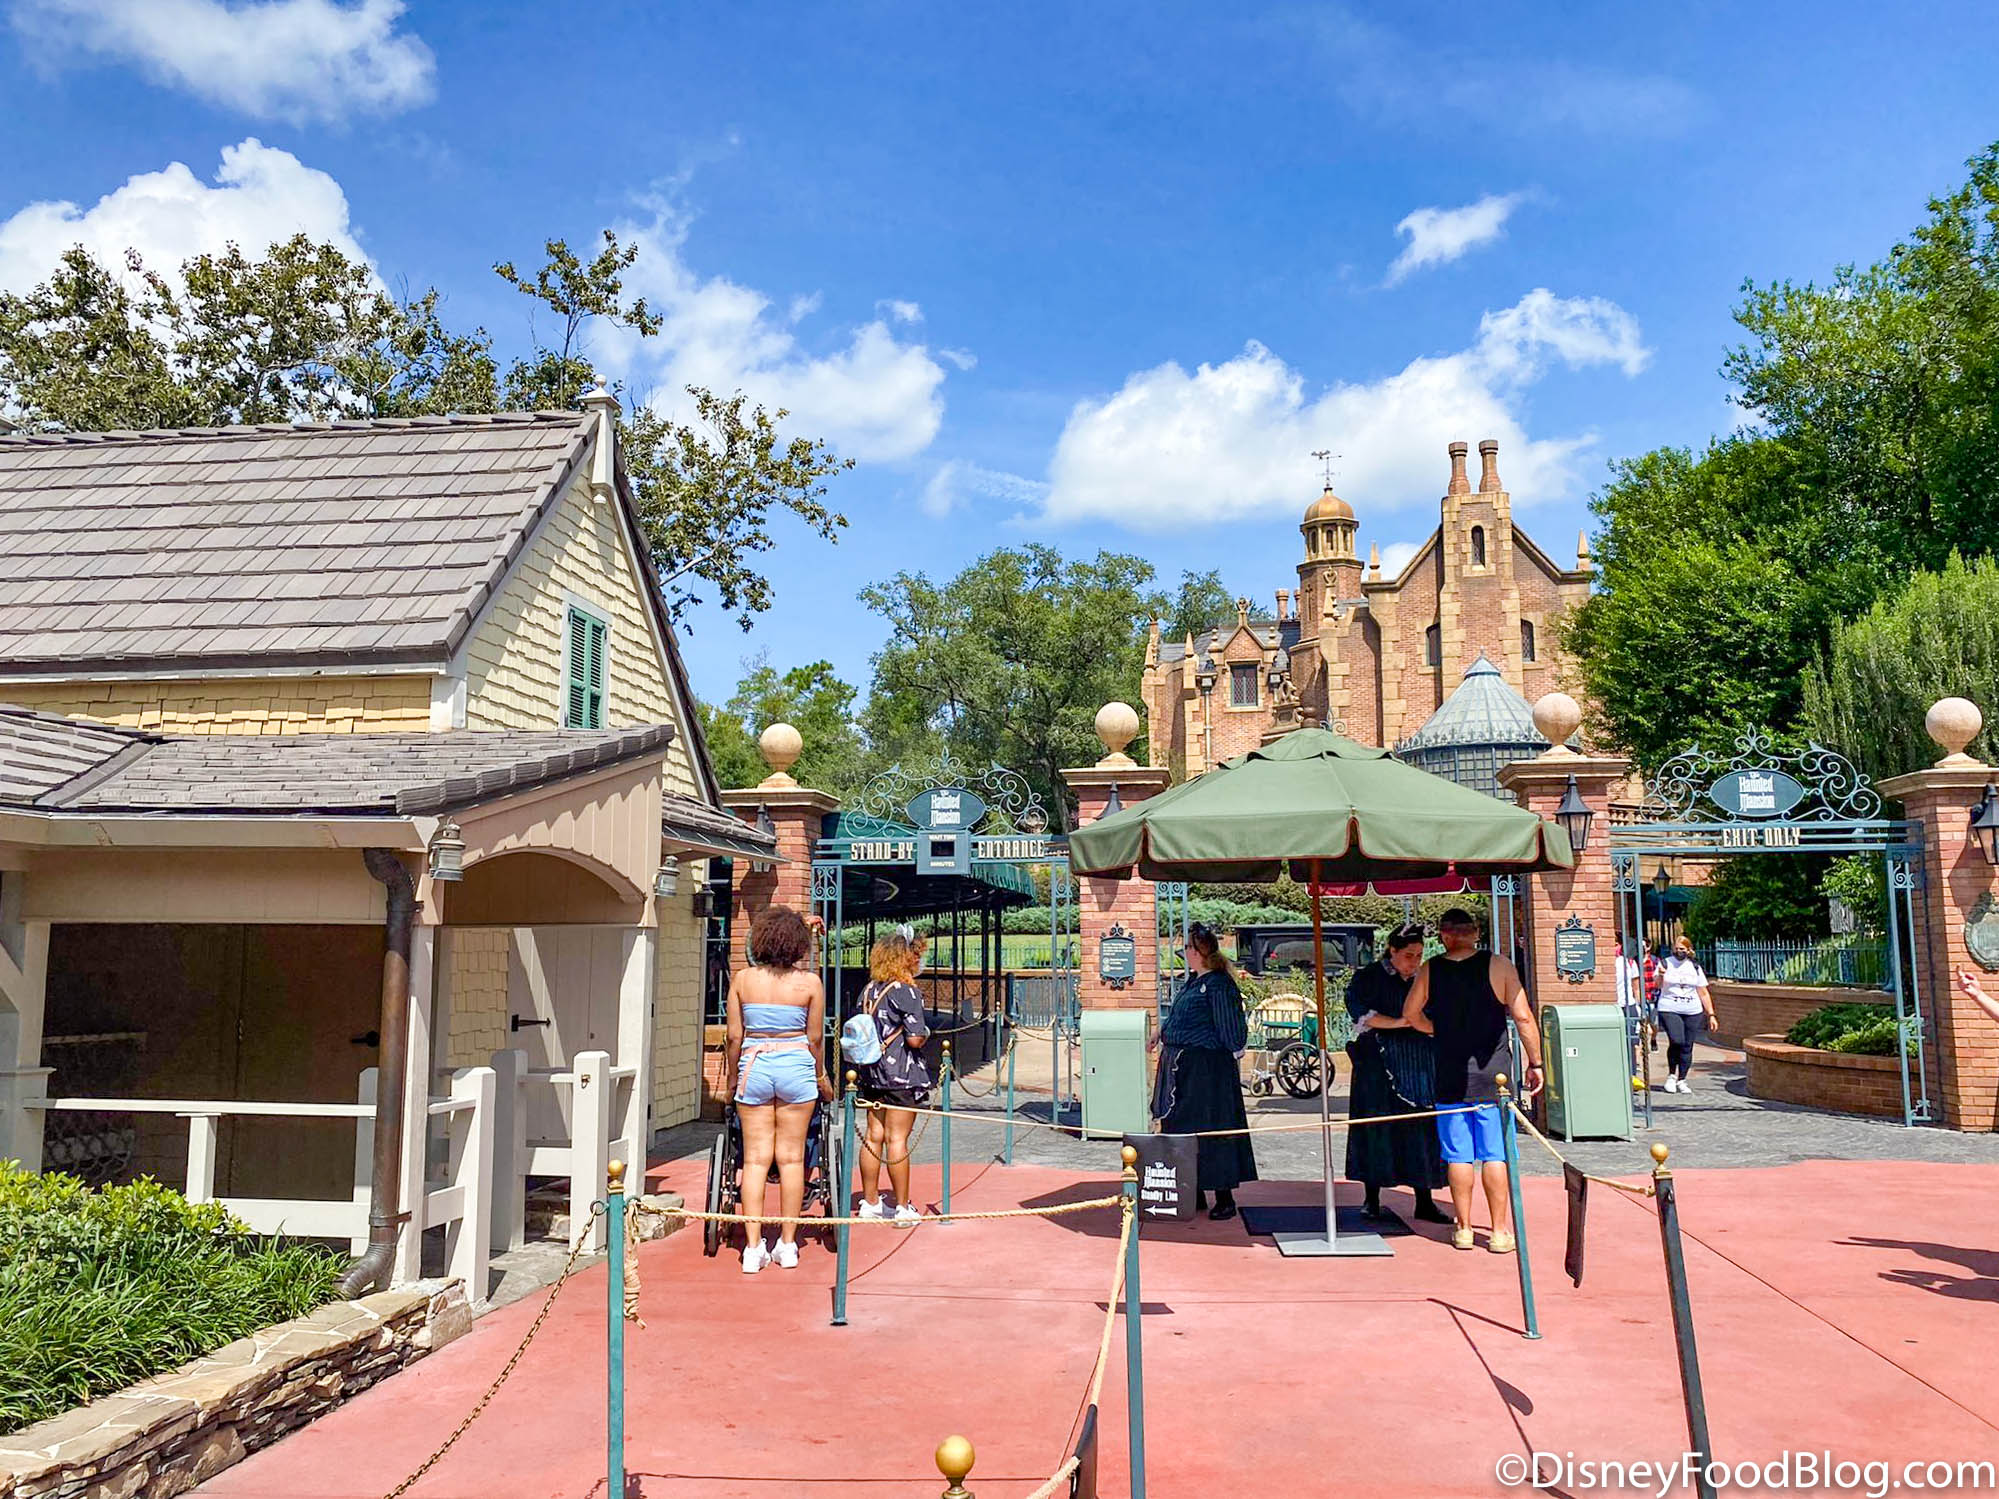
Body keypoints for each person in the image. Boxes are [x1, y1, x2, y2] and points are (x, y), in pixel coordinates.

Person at [1402, 907, 1544, 1254]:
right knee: (1495, 1153)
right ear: (1476, 932)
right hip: (1494, 1075)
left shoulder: (1431, 969)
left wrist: (1435, 1030)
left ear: (1444, 936)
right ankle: (1498, 1231)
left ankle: (1464, 1228)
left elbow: (1410, 1013)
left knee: (1458, 1156)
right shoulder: (1500, 966)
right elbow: (1523, 1017)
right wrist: (1536, 1062)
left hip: (1450, 1072)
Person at [724, 905, 833, 1274]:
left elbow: (734, 1036)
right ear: (798, 944)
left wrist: (732, 1080)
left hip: (754, 1066)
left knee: (755, 1161)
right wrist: (820, 1076)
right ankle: (787, 1244)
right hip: (796, 1067)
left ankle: (753, 1247)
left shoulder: (743, 980)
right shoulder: (810, 984)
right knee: (791, 1160)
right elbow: (815, 1039)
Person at [1343, 924, 1448, 1223]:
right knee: (1376, 1128)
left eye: (1419, 955)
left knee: (1421, 1129)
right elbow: (1360, 1012)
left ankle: (1424, 1200)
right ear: (1392, 951)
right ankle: (1372, 1199)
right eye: (1408, 955)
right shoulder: (1368, 977)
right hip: (1378, 1064)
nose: (1414, 962)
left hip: (1419, 1063)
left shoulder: (1425, 978)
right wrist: (1402, 1022)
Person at [1152, 923, 1256, 1219]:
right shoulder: (1192, 982)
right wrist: (1161, 1034)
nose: (1184, 951)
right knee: (1182, 1127)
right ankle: (1192, 1191)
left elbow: (1231, 1031)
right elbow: (1179, 1017)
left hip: (1207, 1071)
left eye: (1187, 947)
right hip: (1183, 1069)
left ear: (1197, 952)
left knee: (1212, 1130)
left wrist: (1223, 1053)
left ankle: (1224, 1197)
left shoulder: (1218, 985)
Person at [853, 930, 933, 1225]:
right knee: (897, 1138)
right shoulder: (906, 991)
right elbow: (915, 1039)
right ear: (907, 958)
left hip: (872, 1073)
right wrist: (925, 1033)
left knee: (873, 1136)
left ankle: (870, 1201)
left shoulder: (869, 990)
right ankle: (902, 1207)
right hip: (901, 1074)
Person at [1655, 936, 1715, 1093]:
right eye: (1676, 949)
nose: (1678, 952)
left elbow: (1703, 992)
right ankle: (1671, 1076)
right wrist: (1661, 975)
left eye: (1682, 949)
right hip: (1669, 1007)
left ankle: (1682, 1079)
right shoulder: (1665, 963)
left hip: (1692, 1010)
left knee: (1687, 1045)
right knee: (1677, 1040)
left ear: (1688, 950)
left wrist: (1711, 1014)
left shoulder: (1694, 967)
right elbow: (1657, 986)